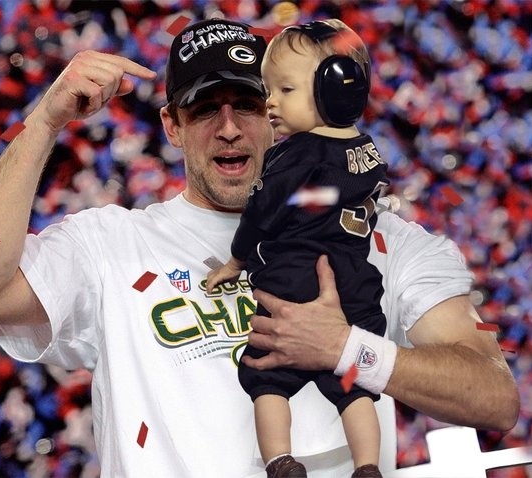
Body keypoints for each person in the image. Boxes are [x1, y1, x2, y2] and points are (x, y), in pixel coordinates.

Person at [0, 16, 519, 478]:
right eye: (203, 110)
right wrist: (44, 121)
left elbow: (494, 397)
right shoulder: (110, 244)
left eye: (247, 104)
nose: (229, 128)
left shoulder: (379, 234)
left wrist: (347, 348)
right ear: (171, 126)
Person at [205, 19, 388, 478]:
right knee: (355, 387)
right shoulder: (369, 151)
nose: (270, 102)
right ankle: (368, 466)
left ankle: (281, 462)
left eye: (285, 90)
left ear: (334, 91)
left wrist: (235, 260)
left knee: (264, 376)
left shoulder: (295, 155)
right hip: (356, 282)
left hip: (297, 279)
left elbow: (260, 215)